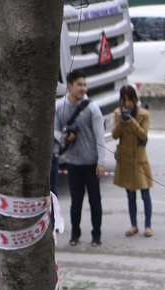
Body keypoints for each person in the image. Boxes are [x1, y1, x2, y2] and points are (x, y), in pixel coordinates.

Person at [54, 69, 108, 248]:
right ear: (70, 86)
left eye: (85, 84)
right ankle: (75, 234)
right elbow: (54, 130)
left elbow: (100, 136)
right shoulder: (59, 107)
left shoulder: (93, 109)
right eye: (79, 84)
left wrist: (101, 161)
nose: (83, 88)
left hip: (92, 163)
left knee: (95, 201)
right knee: (76, 201)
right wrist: (63, 137)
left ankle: (96, 235)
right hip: (73, 163)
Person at [111, 86, 154, 238]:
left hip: (139, 160)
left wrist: (131, 121)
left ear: (135, 99)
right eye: (125, 100)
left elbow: (143, 135)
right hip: (126, 160)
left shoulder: (143, 115)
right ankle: (133, 225)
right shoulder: (118, 114)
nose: (127, 104)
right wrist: (121, 122)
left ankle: (148, 225)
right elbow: (115, 135)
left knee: (145, 193)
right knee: (130, 195)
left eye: (130, 100)